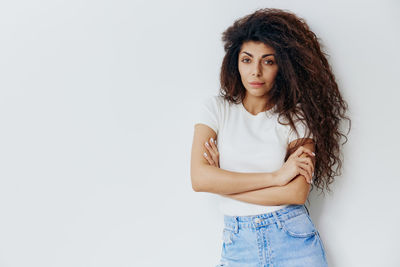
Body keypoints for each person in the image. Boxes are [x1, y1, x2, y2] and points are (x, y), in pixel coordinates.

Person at [190, 8, 351, 267]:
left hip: (293, 239)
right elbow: (199, 179)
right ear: (235, 62)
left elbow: (297, 193)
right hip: (238, 245)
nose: (255, 71)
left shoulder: (296, 117)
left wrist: (223, 183)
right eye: (247, 60)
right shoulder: (216, 109)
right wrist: (276, 178)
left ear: (283, 66)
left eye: (268, 61)